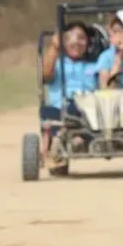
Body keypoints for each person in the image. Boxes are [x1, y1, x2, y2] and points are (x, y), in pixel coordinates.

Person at [40, 22, 98, 164]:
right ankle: (56, 142)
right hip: (59, 111)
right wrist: (54, 46)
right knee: (47, 111)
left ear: (88, 43)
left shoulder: (95, 65)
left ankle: (72, 140)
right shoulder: (57, 64)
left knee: (77, 106)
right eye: (70, 38)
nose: (76, 42)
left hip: (85, 111)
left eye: (81, 38)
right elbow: (46, 75)